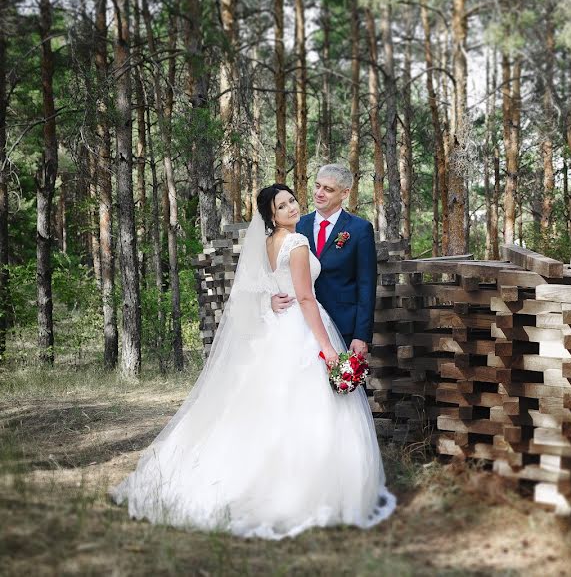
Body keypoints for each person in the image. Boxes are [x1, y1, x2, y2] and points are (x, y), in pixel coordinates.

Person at [110, 183, 395, 539]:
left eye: (292, 200)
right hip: (303, 327)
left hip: (276, 327)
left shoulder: (268, 243)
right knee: (304, 407)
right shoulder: (298, 242)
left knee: (264, 404)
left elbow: (255, 289)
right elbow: (306, 299)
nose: (293, 207)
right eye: (283, 206)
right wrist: (328, 349)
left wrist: (270, 303)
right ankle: (301, 489)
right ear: (271, 215)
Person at [270, 164, 375, 357]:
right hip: (300, 323)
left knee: (343, 385)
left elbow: (366, 285)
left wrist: (361, 335)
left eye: (328, 189)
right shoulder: (296, 224)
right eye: (317, 185)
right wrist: (270, 299)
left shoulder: (360, 230)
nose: (319, 193)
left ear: (345, 193)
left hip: (343, 325)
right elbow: (273, 269)